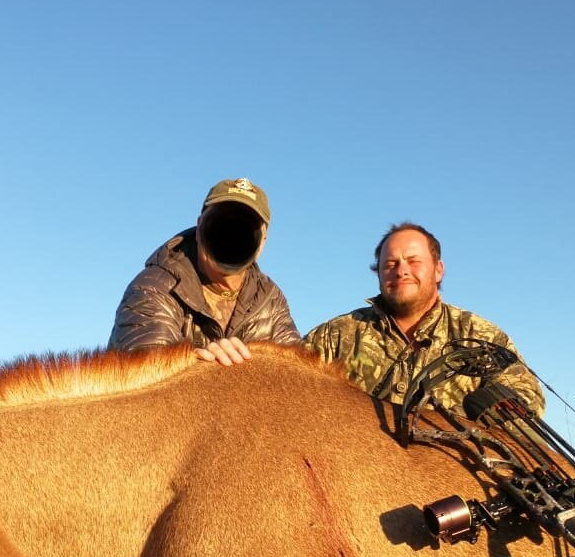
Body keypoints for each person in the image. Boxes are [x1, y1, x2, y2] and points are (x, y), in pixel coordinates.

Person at [306, 222, 544, 416]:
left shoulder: (480, 335)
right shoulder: (334, 336)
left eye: (413, 261)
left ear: (438, 270)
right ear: (377, 272)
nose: (401, 271)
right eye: (390, 264)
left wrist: (469, 415)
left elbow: (528, 396)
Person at [109, 178, 300, 364]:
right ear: (200, 225)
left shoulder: (271, 301)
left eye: (245, 231)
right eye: (221, 226)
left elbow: (294, 372)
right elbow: (148, 373)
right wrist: (200, 365)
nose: (231, 238)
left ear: (262, 242)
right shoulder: (153, 287)